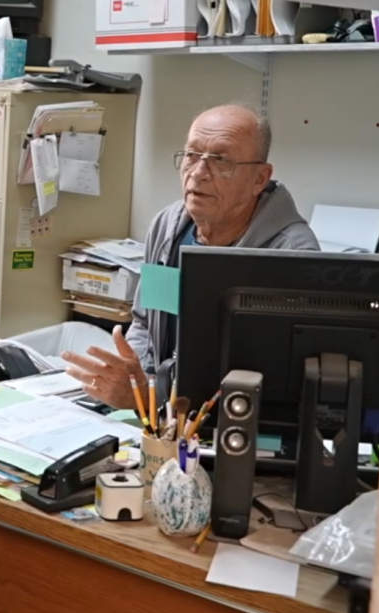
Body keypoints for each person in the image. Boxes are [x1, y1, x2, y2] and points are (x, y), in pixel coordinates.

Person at [63, 104, 319, 411]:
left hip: (240, 422)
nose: (198, 173)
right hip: (163, 418)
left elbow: (285, 376)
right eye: (192, 156)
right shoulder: (167, 227)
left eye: (220, 160)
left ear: (259, 179)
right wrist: (136, 384)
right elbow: (148, 321)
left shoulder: (291, 254)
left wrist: (152, 400)